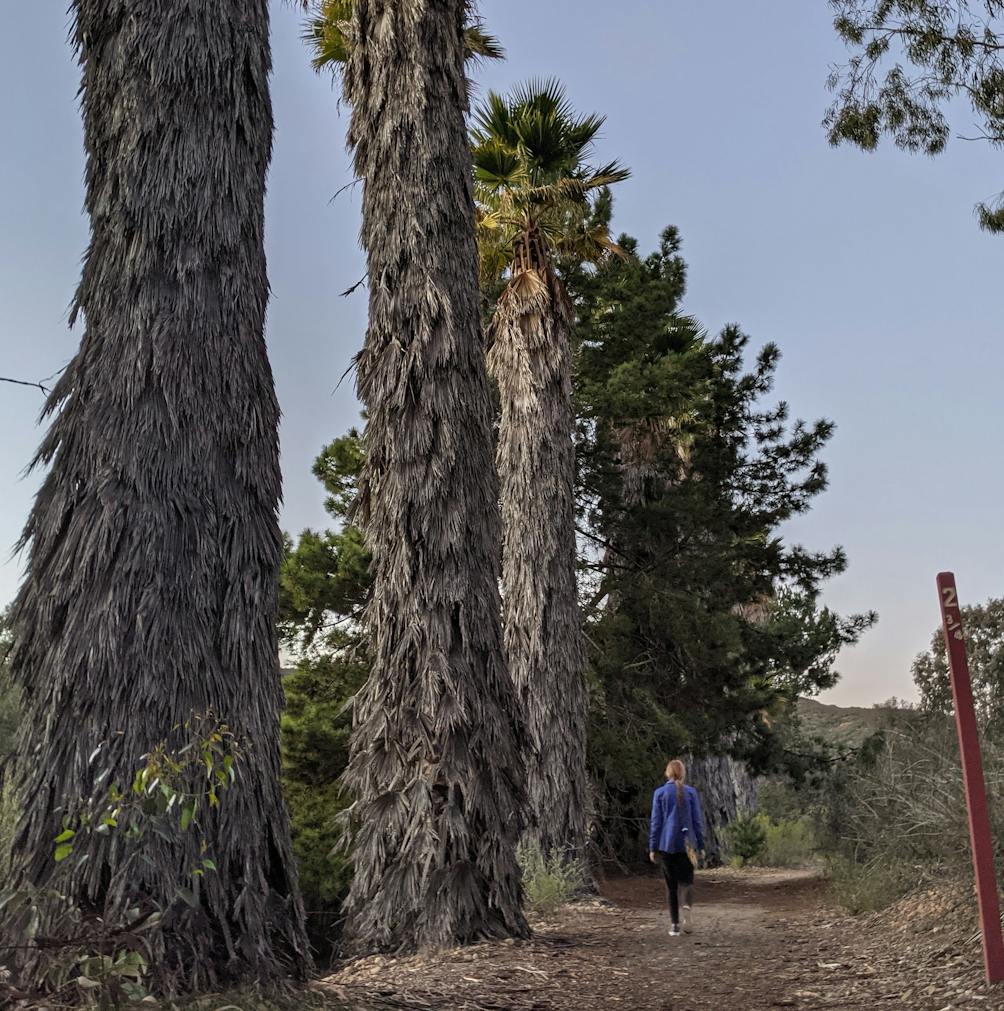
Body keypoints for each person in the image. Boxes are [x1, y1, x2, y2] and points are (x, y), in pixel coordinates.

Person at [648, 758, 705, 936]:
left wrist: (653, 847)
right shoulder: (691, 793)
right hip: (688, 844)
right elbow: (697, 821)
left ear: (668, 773)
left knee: (671, 886)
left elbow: (656, 823)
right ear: (682, 773)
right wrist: (700, 844)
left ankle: (674, 925)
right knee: (687, 881)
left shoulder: (660, 793)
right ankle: (686, 905)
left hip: (666, 844)